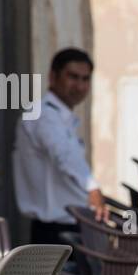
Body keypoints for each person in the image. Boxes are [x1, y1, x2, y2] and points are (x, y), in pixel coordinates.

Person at [13, 47, 108, 245]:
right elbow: (64, 155)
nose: (80, 86)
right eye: (72, 77)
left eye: (85, 79)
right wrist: (92, 188)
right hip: (55, 231)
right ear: (53, 77)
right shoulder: (44, 114)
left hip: (71, 226)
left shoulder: (60, 116)